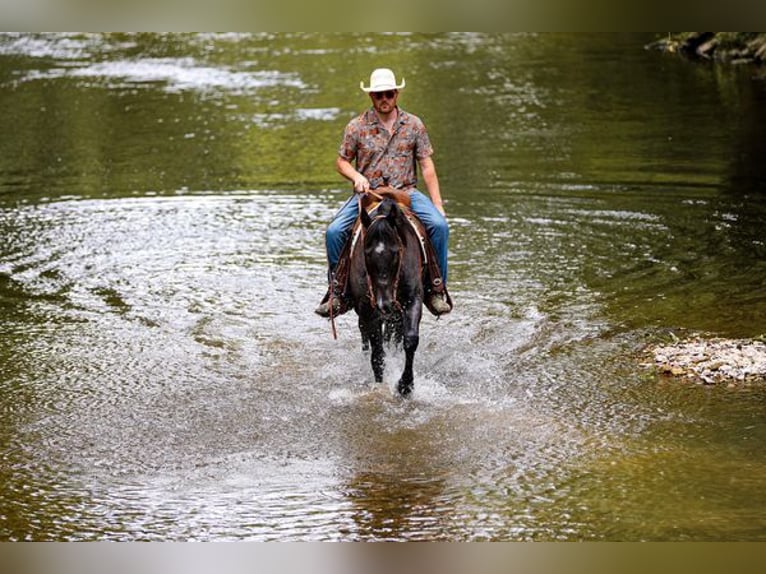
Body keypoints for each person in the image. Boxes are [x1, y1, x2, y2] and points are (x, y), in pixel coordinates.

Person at [315, 68, 451, 317]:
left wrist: (438, 203)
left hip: (406, 193)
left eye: (388, 93)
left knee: (440, 227)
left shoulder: (414, 125)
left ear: (396, 93)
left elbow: (427, 165)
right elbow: (341, 161)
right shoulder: (356, 127)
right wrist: (357, 176)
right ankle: (338, 292)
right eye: (379, 95)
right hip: (369, 195)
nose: (384, 99)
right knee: (334, 232)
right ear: (371, 96)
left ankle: (436, 288)